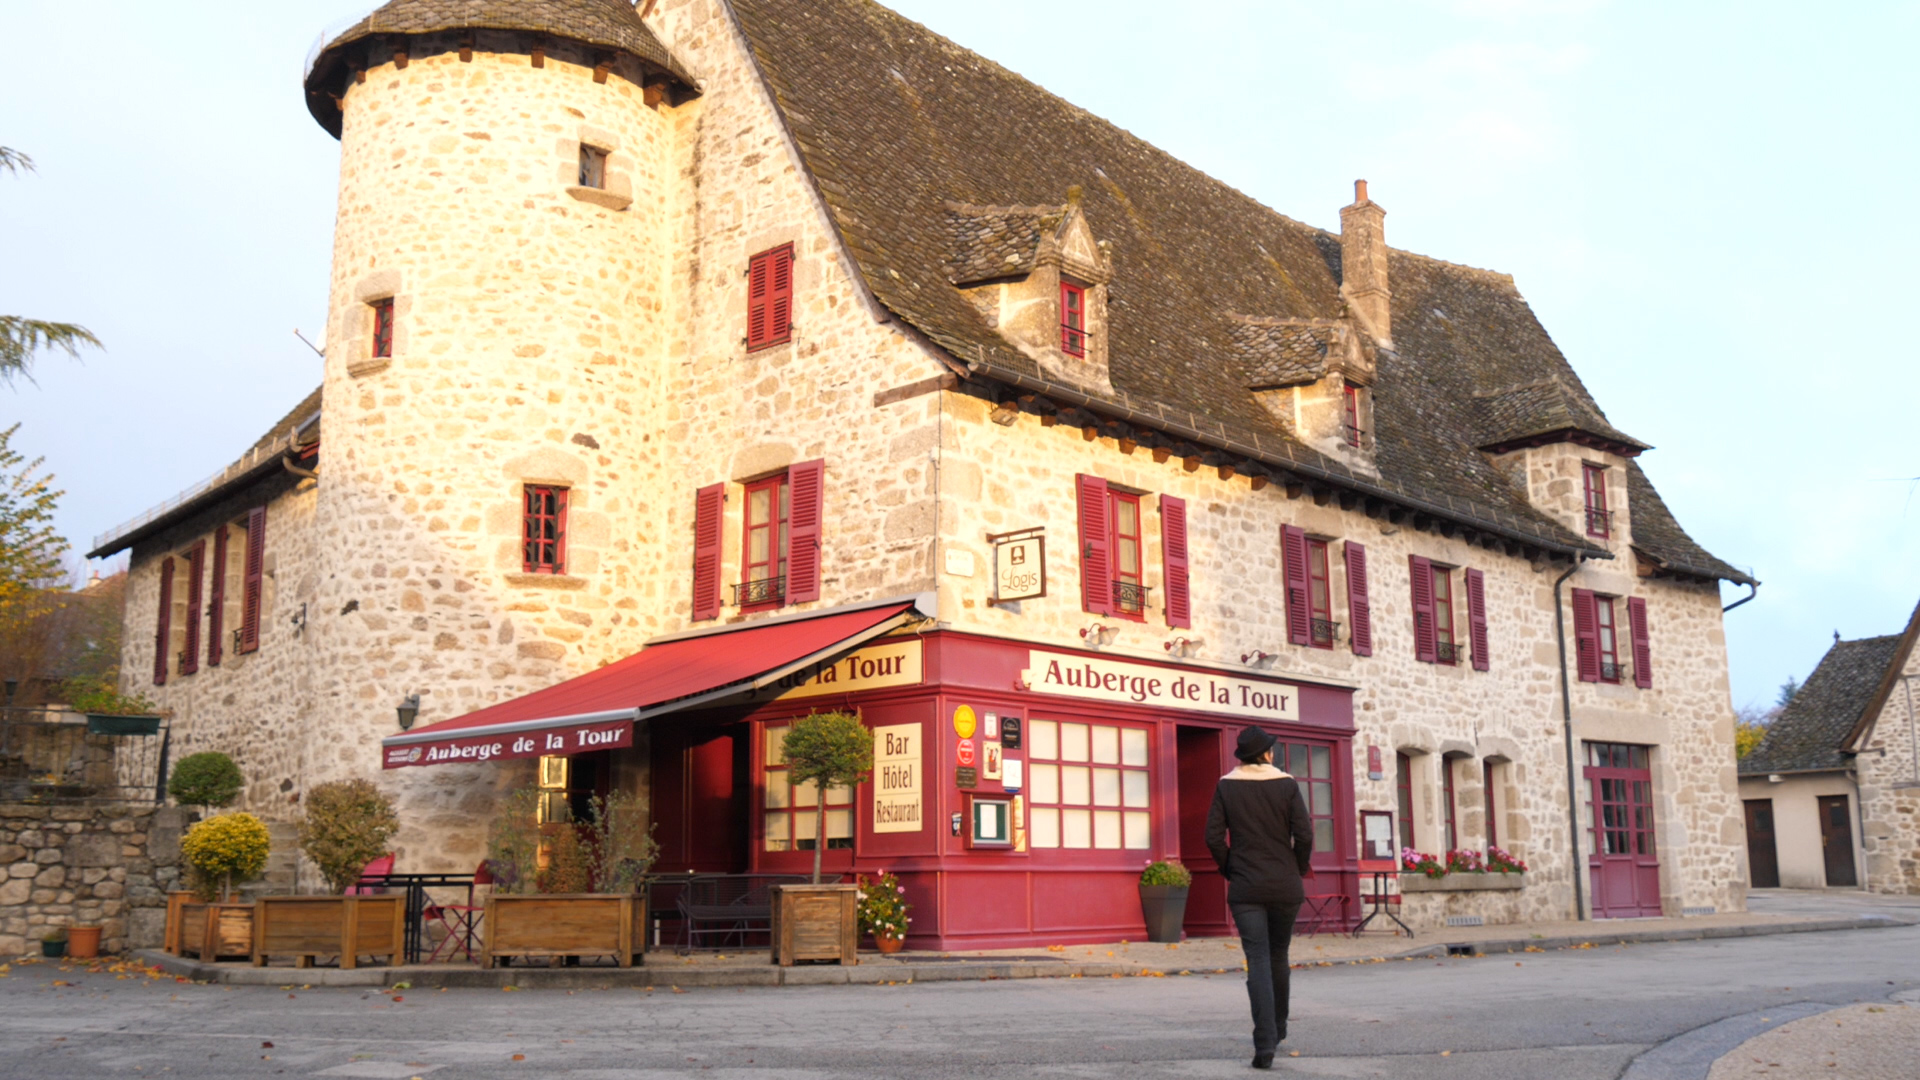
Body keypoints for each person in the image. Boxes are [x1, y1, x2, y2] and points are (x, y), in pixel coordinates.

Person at [1206, 726, 1315, 1069]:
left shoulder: (1226, 785)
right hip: (1284, 884)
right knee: (1278, 955)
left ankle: (1264, 1042)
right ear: (1267, 753)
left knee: (1258, 959)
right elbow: (1305, 833)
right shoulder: (1287, 784)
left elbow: (1212, 837)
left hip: (1246, 886)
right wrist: (1297, 865)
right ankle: (1279, 1028)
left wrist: (1231, 868)